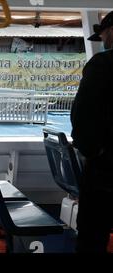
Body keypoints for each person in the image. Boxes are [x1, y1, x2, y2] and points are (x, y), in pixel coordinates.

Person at [71, 11, 113, 253]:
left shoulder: (103, 64)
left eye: (105, 36)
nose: (104, 43)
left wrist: (93, 151)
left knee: (92, 236)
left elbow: (83, 114)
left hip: (105, 172)